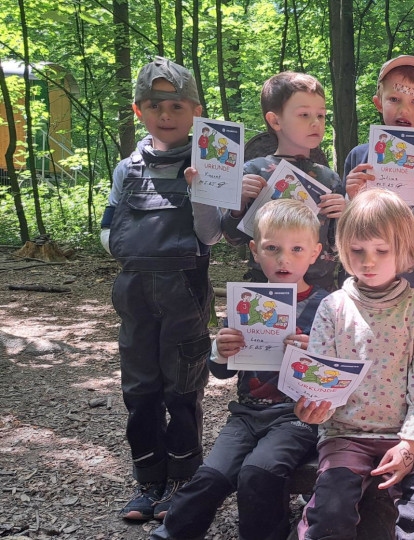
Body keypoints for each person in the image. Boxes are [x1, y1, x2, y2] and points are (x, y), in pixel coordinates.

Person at [150, 199, 328, 540]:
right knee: (211, 476)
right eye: (272, 248)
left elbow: (332, 378)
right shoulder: (246, 303)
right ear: (255, 251)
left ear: (314, 253)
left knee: (259, 471)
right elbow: (222, 373)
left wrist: (313, 355)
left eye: (296, 249)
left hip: (297, 418)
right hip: (245, 415)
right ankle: (169, 534)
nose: (284, 259)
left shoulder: (327, 306)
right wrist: (220, 351)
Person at [293, 189, 414, 540]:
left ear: (404, 250)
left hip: (412, 439)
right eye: (357, 250)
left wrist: (409, 445)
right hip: (345, 436)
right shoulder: (332, 308)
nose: (368, 261)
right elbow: (321, 385)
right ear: (342, 248)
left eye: (381, 251)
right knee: (330, 515)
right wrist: (313, 410)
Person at [99, 56, 221, 521]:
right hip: (133, 295)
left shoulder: (210, 162)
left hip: (184, 294)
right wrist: (123, 246)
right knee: (140, 389)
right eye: (154, 106)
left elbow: (211, 235)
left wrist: (201, 191)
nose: (165, 115)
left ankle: (184, 477)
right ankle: (148, 480)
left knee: (182, 389)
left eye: (176, 106)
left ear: (195, 112)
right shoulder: (126, 168)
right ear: (139, 111)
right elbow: (110, 225)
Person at [342, 55, 414, 299]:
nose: (404, 110)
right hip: (363, 280)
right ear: (378, 103)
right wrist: (350, 198)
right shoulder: (359, 157)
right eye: (394, 99)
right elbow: (343, 228)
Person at [219, 72, 346, 291]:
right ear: (275, 120)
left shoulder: (329, 179)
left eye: (321, 115)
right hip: (266, 291)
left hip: (321, 292)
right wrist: (238, 205)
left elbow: (337, 245)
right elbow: (234, 238)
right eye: (304, 115)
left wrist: (345, 215)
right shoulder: (254, 172)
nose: (315, 122)